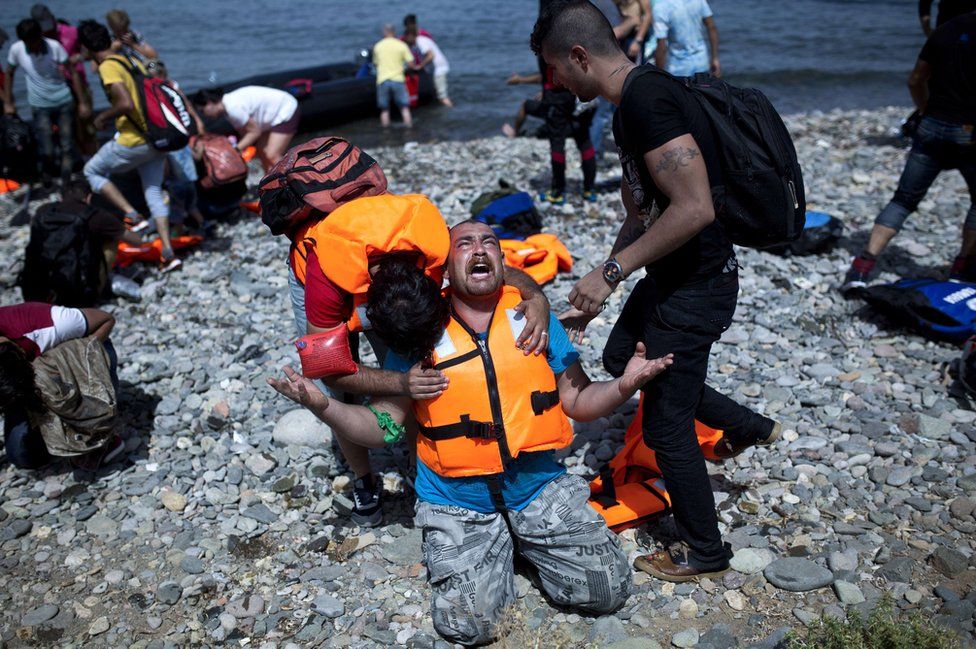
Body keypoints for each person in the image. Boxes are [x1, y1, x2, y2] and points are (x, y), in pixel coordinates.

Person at [268, 219, 674, 645]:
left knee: (608, 591)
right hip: (456, 499)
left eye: (489, 243)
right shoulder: (420, 329)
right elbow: (380, 427)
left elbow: (578, 401)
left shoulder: (532, 316)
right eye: (465, 244)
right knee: (471, 627)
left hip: (535, 485)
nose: (479, 249)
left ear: (501, 259)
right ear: (445, 265)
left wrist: (624, 386)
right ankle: (499, 544)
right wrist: (322, 405)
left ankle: (520, 539)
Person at [532, 0, 781, 582]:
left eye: (556, 71)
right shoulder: (633, 102)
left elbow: (695, 208)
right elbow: (646, 210)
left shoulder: (649, 101)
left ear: (578, 56)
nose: (556, 84)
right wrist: (600, 287)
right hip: (671, 277)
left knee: (668, 427)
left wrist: (613, 274)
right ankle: (745, 425)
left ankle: (705, 550)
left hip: (697, 287)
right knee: (621, 356)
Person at [287, 191, 552, 526]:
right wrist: (399, 381)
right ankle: (363, 480)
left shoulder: (433, 252)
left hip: (378, 239)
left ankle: (416, 461)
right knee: (342, 392)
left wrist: (537, 296)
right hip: (314, 261)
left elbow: (498, 273)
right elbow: (331, 371)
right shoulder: (324, 280)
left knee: (416, 369)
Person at [842, 10, 976, 293]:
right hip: (970, 133)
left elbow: (915, 79)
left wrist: (924, 108)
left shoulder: (946, 30)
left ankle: (863, 266)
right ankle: (962, 267)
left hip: (932, 126)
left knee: (903, 199)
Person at [78, 20, 180, 272]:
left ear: (87, 46)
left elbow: (125, 103)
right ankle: (168, 253)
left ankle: (133, 217)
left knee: (91, 171)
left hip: (134, 138)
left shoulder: (109, 67)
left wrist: (102, 117)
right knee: (153, 190)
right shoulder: (127, 59)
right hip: (156, 136)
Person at [0, 302, 124, 470]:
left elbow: (106, 319)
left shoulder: (50, 324)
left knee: (84, 409)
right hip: (21, 384)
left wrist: (71, 355)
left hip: (76, 360)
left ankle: (102, 433)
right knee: (23, 455)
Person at [3, 18, 89, 186]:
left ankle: (66, 180)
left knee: (66, 143)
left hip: (63, 100)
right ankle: (47, 174)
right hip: (39, 104)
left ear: (40, 37)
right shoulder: (17, 49)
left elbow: (73, 71)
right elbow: (9, 73)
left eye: (33, 42)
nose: (30, 46)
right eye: (27, 43)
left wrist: (82, 102)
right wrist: (8, 101)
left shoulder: (54, 47)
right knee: (46, 145)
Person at [503, 54, 597, 204]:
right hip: (581, 98)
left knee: (557, 143)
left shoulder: (549, 46)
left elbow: (552, 76)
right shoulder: (576, 41)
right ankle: (589, 190)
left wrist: (523, 81)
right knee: (584, 141)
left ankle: (558, 193)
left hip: (557, 101)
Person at [31, 4, 97, 156]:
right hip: (54, 91)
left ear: (53, 18)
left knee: (87, 129)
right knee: (65, 132)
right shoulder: (38, 40)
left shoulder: (71, 32)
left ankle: (94, 161)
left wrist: (77, 58)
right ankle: (77, 164)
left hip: (78, 86)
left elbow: (90, 52)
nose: (47, 30)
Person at [192, 86, 299, 172]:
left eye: (202, 111)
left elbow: (254, 132)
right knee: (262, 153)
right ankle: (272, 184)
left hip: (284, 110)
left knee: (272, 155)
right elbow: (246, 132)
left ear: (209, 103)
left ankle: (297, 183)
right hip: (269, 118)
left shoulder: (233, 108)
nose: (204, 115)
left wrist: (235, 151)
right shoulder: (226, 109)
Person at [55, 179, 145, 270]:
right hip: (76, 273)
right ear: (89, 197)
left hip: (48, 272)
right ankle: (98, 281)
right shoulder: (95, 216)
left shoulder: (44, 211)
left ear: (60, 197)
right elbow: (137, 241)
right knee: (112, 238)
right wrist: (132, 221)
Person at [653, 0, 721, 78]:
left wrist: (659, 75)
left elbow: (661, 46)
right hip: (702, 63)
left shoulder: (661, 6)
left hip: (677, 70)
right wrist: (715, 58)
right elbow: (711, 27)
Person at [372, 24, 416, 128]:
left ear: (384, 32)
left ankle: (385, 132)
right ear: (394, 32)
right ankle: (409, 128)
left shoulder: (378, 46)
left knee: (384, 109)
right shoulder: (401, 45)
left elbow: (375, 64)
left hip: (382, 80)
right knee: (404, 107)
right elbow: (411, 64)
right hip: (398, 79)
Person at [403, 27, 452, 108]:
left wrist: (420, 66)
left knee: (442, 97)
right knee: (436, 95)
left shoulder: (420, 41)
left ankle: (450, 110)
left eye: (406, 38)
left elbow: (430, 55)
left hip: (439, 69)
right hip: (436, 69)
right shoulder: (419, 41)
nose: (406, 41)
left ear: (410, 36)